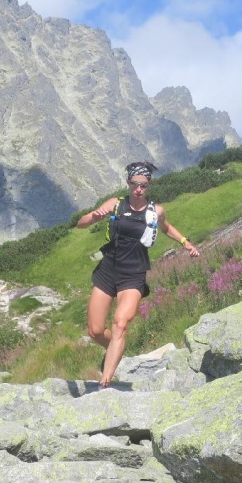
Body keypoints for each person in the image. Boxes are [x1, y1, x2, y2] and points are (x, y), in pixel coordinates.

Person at [76, 161, 199, 387]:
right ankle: (116, 345)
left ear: (149, 185)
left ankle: (106, 379)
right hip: (107, 270)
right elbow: (80, 223)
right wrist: (94, 216)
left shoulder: (156, 211)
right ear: (128, 183)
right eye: (134, 184)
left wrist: (185, 242)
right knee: (94, 331)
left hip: (134, 274)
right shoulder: (115, 204)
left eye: (143, 185)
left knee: (121, 323)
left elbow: (166, 227)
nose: (139, 189)